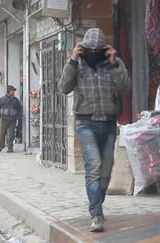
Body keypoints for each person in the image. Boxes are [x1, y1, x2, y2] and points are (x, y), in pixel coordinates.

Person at [59, 28, 131, 232]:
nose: (93, 53)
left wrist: (114, 62)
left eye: (97, 50)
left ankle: (97, 204)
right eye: (89, 50)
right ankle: (96, 214)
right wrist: (72, 60)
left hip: (108, 123)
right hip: (85, 123)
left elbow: (125, 87)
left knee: (106, 172)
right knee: (95, 167)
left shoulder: (114, 63)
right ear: (82, 49)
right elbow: (63, 87)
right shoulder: (78, 64)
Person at [0, 85, 23, 153]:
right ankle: (1, 146)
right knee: (2, 133)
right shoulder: (2, 100)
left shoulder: (15, 100)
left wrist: (18, 116)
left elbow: (20, 109)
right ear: (9, 91)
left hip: (13, 119)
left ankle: (10, 148)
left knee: (12, 134)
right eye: (12, 91)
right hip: (4, 119)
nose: (13, 92)